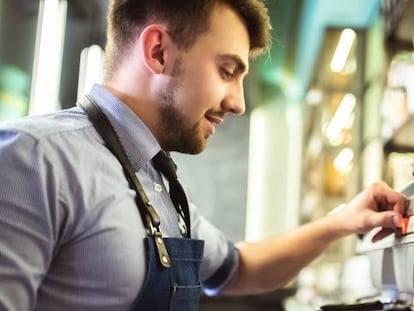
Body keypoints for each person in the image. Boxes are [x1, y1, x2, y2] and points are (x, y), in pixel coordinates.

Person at [0, 0, 409, 310]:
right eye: (227, 71)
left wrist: (342, 221)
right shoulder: (34, 159)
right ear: (158, 51)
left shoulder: (157, 183)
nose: (238, 104)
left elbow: (239, 268)